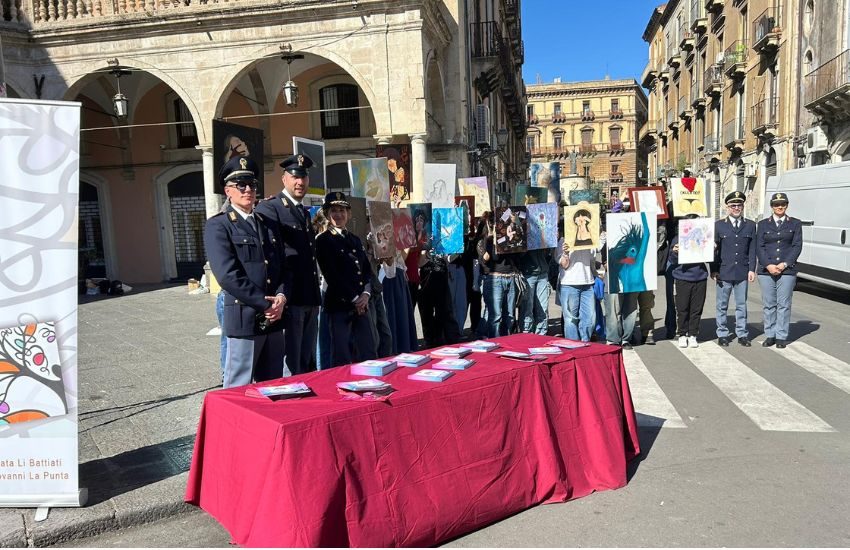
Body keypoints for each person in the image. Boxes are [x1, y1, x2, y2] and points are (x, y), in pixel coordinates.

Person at [204, 156, 289, 388]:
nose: (248, 190)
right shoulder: (219, 225)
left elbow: (280, 266)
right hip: (245, 317)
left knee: (273, 385)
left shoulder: (266, 223)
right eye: (241, 185)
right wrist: (266, 304)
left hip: (273, 318)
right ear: (228, 190)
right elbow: (228, 275)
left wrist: (281, 297)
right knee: (239, 386)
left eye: (252, 184)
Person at [255, 154, 321, 375]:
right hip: (290, 298)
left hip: (309, 295)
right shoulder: (271, 208)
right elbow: (271, 256)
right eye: (294, 177)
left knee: (307, 358)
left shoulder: (302, 211)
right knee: (291, 361)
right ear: (284, 179)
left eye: (303, 177)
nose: (299, 182)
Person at [315, 192, 377, 367]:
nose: (338, 215)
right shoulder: (323, 240)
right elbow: (332, 275)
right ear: (327, 215)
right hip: (340, 305)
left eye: (342, 210)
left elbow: (365, 269)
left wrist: (365, 293)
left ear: (349, 214)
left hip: (361, 304)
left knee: (367, 352)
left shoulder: (354, 239)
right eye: (334, 211)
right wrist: (355, 298)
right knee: (342, 355)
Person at [756, 192, 802, 349]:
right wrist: (768, 265)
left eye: (783, 204)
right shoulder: (762, 224)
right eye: (776, 204)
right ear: (771, 207)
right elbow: (759, 246)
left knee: (784, 304)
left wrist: (784, 264)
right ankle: (770, 334)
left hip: (787, 270)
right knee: (769, 304)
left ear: (787, 206)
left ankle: (781, 335)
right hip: (765, 269)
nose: (780, 207)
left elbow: (796, 246)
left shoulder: (795, 223)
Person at [711, 191, 757, 346]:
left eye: (739, 205)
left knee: (741, 305)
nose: (736, 208)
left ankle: (742, 333)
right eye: (733, 205)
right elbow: (714, 250)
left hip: (742, 271)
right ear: (727, 207)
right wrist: (714, 269)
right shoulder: (719, 225)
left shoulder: (750, 225)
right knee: (722, 304)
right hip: (724, 271)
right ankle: (722, 333)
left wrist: (752, 269)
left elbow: (752, 249)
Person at [668, 214, 709, 348]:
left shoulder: (704, 238)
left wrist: (712, 247)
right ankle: (682, 334)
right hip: (682, 277)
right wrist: (674, 251)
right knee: (682, 308)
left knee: (696, 308)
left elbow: (709, 257)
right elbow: (672, 260)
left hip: (700, 277)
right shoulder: (678, 238)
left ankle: (693, 334)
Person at [479, 214, 521, 337]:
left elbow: (518, 257)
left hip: (510, 276)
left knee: (509, 316)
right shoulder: (488, 240)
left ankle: (505, 341)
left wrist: (516, 230)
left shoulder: (512, 238)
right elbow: (492, 258)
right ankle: (494, 342)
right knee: (495, 316)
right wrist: (495, 240)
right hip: (495, 278)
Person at [557, 238, 598, 342]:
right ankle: (573, 347)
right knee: (571, 319)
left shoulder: (590, 238)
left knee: (590, 319)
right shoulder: (563, 240)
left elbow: (592, 259)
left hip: (587, 283)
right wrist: (565, 253)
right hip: (569, 283)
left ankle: (585, 343)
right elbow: (564, 265)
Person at [518, 248, 553, 335]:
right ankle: (527, 334)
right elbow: (518, 254)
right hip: (528, 273)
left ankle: (542, 334)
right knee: (527, 308)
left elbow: (548, 252)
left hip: (543, 273)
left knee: (543, 308)